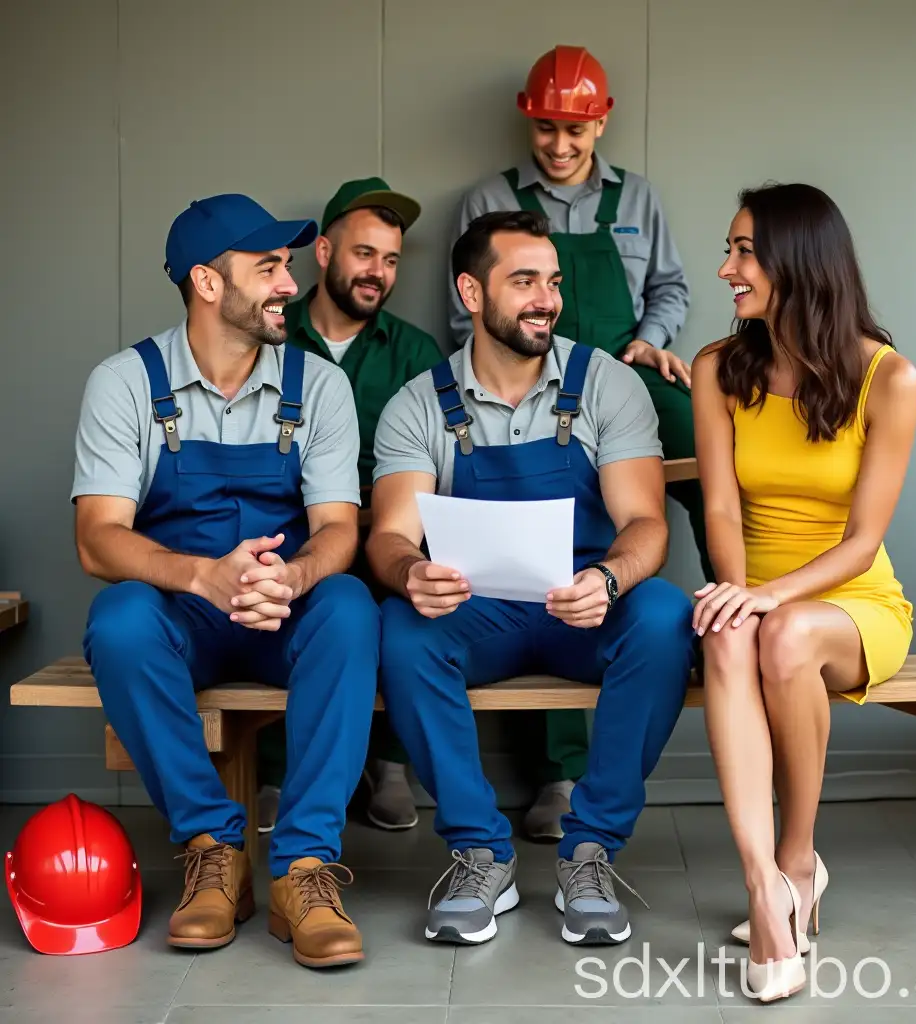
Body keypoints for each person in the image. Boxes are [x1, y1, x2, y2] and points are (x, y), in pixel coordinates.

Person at [367, 210, 696, 946]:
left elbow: (646, 523)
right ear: (471, 293)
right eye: (523, 281)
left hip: (581, 607)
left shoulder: (606, 384)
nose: (546, 298)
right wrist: (412, 572)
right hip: (476, 615)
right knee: (399, 626)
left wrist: (609, 582)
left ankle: (591, 851)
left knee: (665, 616)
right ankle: (480, 852)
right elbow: (389, 535)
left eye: (551, 281)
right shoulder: (420, 402)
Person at [72, 193, 381, 968]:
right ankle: (214, 851)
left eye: (287, 266)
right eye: (268, 267)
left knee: (348, 604)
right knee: (118, 619)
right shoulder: (125, 383)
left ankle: (304, 869)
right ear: (208, 284)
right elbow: (97, 538)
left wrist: (299, 574)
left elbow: (341, 527)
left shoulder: (319, 386)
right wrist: (202, 576)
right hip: (187, 614)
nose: (289, 284)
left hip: (287, 608)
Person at [448, 46, 712, 836]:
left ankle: (746, 616)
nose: (560, 146)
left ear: (600, 122)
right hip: (528, 384)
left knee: (709, 454)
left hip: (619, 376)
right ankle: (558, 776)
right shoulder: (490, 199)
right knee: (540, 546)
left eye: (575, 130)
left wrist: (652, 342)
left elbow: (669, 288)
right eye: (546, 130)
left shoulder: (640, 198)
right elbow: (468, 316)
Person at [690, 183, 916, 1002]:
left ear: (799, 260)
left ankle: (799, 859)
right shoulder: (719, 368)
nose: (726, 270)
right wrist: (737, 592)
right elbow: (718, 505)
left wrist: (769, 600)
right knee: (724, 632)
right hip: (757, 590)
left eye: (744, 251)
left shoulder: (888, 379)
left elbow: (862, 543)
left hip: (852, 602)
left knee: (781, 634)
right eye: (731, 250)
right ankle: (764, 890)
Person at [256, 177, 442, 835]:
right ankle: (277, 770)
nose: (379, 273)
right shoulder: (272, 334)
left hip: (390, 533)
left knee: (403, 600)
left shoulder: (417, 352)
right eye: (366, 255)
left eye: (391, 261)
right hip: (296, 533)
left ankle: (389, 764)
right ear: (326, 253)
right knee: (287, 605)